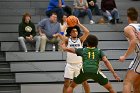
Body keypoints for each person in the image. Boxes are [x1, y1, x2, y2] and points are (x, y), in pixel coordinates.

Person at [62, 19, 90, 93]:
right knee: (66, 84)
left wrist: (79, 24)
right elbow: (61, 33)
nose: (75, 32)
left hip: (79, 64)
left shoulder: (80, 40)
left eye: (76, 31)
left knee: (84, 83)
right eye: (73, 31)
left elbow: (87, 32)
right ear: (70, 33)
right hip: (69, 64)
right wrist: (67, 25)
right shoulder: (67, 40)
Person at [119, 7, 140, 93]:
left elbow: (134, 40)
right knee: (137, 84)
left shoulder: (128, 28)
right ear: (137, 17)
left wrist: (124, 56)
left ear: (128, 17)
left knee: (127, 82)